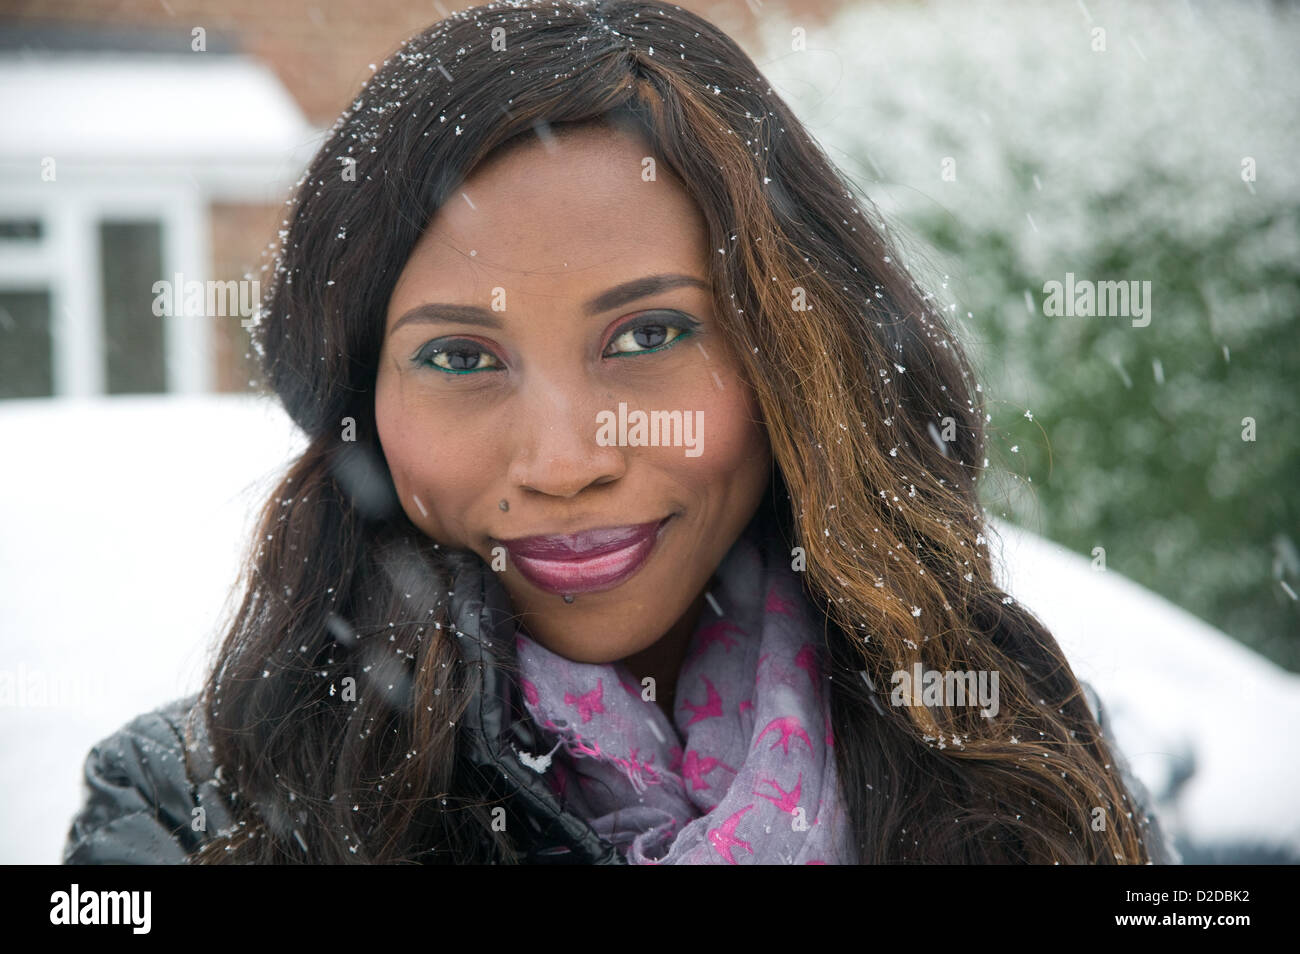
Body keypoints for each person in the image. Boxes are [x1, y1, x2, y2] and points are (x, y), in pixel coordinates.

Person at [64, 0, 1174, 865]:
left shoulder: (1006, 754)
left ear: (796, 356)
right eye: (459, 358)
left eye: (647, 336)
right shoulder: (194, 811)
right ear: (362, 405)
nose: (564, 462)